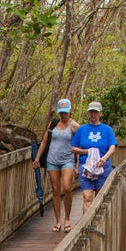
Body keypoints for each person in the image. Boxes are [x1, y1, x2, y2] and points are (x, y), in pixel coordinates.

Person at [33, 99, 80, 232]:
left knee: (67, 188)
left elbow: (80, 146)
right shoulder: (52, 124)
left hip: (67, 160)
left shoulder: (75, 126)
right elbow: (43, 142)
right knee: (55, 190)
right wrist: (37, 159)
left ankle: (67, 219)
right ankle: (58, 221)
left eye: (65, 113)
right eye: (61, 113)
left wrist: (77, 165)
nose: (63, 115)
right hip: (52, 160)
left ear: (70, 111)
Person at [71, 101, 118, 210]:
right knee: (87, 197)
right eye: (91, 112)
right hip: (86, 166)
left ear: (100, 114)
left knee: (100, 198)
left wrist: (104, 158)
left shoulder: (107, 130)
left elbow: (113, 146)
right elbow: (72, 148)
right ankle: (85, 226)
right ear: (88, 113)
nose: (93, 114)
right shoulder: (81, 130)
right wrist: (87, 151)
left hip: (103, 166)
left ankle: (97, 226)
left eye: (96, 112)